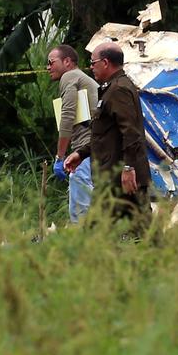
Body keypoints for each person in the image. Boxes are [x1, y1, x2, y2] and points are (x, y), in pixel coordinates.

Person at [64, 42, 150, 225]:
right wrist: (81, 153)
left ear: (105, 62)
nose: (91, 67)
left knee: (98, 232)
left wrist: (128, 169)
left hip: (121, 178)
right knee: (144, 232)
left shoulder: (118, 90)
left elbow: (131, 133)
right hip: (114, 177)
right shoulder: (112, 88)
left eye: (93, 63)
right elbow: (105, 134)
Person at [47, 44, 100, 223]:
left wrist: (60, 156)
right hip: (96, 148)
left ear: (67, 61)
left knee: (80, 212)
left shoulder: (70, 76)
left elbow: (67, 115)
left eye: (51, 62)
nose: (48, 67)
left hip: (84, 149)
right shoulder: (84, 79)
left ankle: (84, 248)